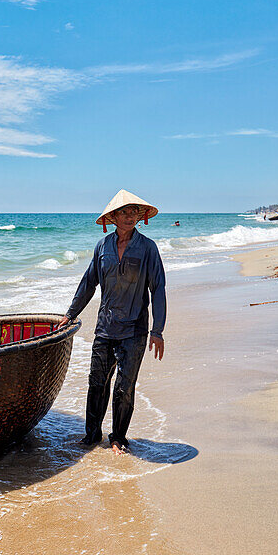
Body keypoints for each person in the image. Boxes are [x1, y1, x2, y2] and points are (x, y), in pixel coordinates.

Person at [58, 190, 166, 455]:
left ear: (140, 216)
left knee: (124, 387)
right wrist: (70, 313)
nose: (130, 217)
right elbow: (88, 284)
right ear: (113, 216)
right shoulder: (102, 247)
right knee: (97, 383)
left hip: (135, 330)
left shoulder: (148, 248)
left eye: (134, 212)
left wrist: (158, 330)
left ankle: (118, 438)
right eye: (124, 212)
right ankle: (91, 436)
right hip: (105, 328)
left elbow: (158, 288)